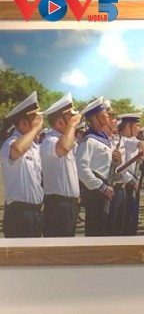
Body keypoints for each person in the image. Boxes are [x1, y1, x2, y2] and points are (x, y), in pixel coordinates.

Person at [1, 91, 44, 238]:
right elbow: (17, 150)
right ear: (24, 123)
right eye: (35, 120)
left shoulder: (34, 147)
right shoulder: (11, 143)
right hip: (19, 214)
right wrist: (35, 129)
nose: (40, 124)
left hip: (35, 212)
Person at [75, 96, 119, 236]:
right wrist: (101, 186)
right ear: (96, 118)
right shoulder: (89, 140)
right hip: (95, 191)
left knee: (104, 229)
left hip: (105, 187)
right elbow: (81, 167)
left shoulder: (102, 139)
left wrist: (116, 160)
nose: (108, 115)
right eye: (104, 113)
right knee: (95, 230)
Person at [40, 92, 83, 237]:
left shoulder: (66, 140)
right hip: (57, 205)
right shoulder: (50, 140)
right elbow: (63, 148)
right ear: (59, 122)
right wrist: (72, 125)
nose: (75, 121)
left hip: (69, 205)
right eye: (70, 117)